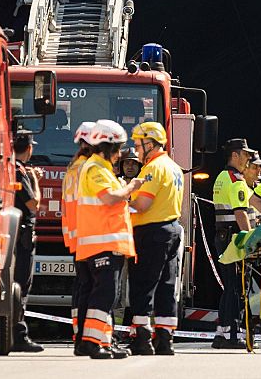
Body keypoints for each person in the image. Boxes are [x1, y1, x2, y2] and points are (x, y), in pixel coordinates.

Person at [74, 120, 145, 359]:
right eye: (118, 148)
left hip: (106, 241)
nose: (119, 154)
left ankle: (101, 342)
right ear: (108, 146)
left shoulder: (102, 168)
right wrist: (131, 187)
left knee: (107, 295)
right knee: (104, 294)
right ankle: (92, 343)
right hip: (101, 242)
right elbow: (110, 198)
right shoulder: (96, 168)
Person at [127, 121, 186, 356]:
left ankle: (142, 338)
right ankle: (165, 338)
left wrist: (123, 200)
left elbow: (142, 205)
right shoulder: (174, 167)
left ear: (150, 144)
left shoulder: (152, 169)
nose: (136, 150)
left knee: (143, 285)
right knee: (166, 286)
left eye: (138, 145)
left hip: (150, 232)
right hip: (171, 229)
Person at [212, 138, 259, 348]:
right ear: (235, 155)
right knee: (236, 287)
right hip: (234, 239)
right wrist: (250, 239)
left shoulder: (222, 177)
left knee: (230, 285)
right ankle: (232, 335)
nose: (248, 159)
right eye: (246, 154)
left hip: (223, 237)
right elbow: (241, 213)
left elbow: (250, 204)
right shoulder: (236, 180)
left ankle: (222, 333)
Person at [11, 131, 45, 353]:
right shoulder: (20, 171)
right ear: (29, 148)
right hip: (22, 236)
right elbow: (34, 204)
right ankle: (18, 335)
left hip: (16, 234)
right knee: (21, 285)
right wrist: (35, 181)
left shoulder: (11, 167)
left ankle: (13, 333)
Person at [63, 121, 93, 346]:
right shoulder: (88, 168)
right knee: (94, 289)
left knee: (82, 286)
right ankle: (89, 335)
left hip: (77, 236)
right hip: (91, 234)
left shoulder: (73, 167)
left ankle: (79, 333)